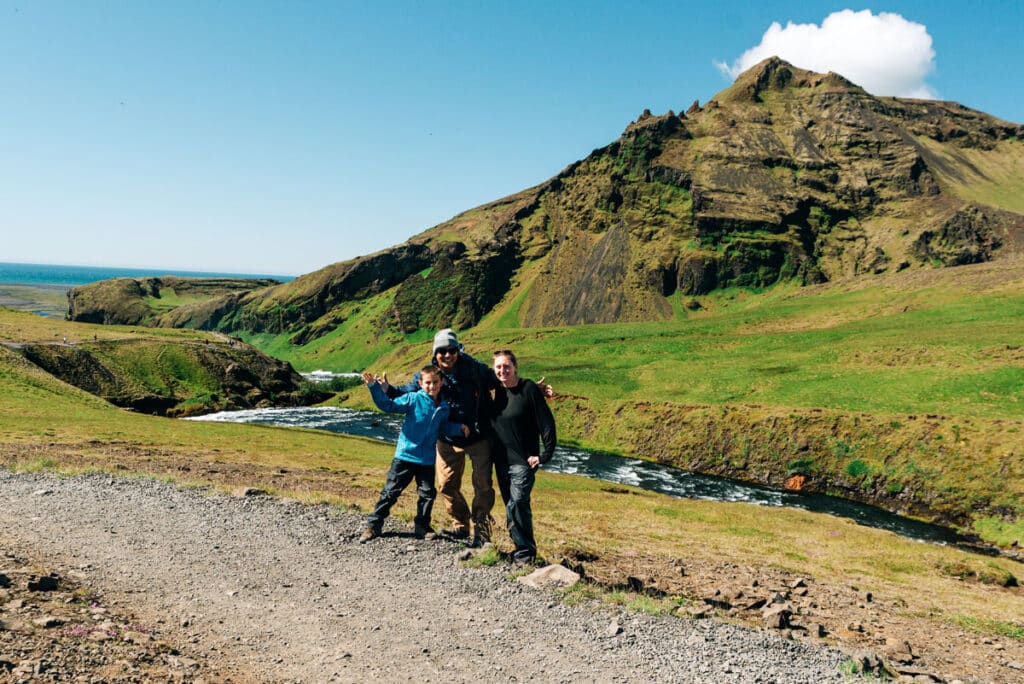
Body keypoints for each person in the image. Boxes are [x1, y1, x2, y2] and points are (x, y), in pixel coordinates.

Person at [386, 329, 553, 547]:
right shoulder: (429, 374)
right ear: (435, 353)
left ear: (458, 350)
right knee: (446, 485)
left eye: (452, 350)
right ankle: (461, 526)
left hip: (479, 436)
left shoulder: (473, 368)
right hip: (447, 438)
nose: (448, 355)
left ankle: (481, 531)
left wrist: (531, 388)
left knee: (483, 486)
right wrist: (386, 390)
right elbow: (409, 390)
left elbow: (502, 378)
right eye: (442, 351)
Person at [359, 366, 468, 543]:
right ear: (420, 383)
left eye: (435, 382)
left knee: (427, 494)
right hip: (405, 456)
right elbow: (388, 405)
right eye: (427, 383)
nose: (431, 386)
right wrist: (374, 388)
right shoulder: (413, 398)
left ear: (441, 383)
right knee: (390, 492)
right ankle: (373, 526)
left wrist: (458, 428)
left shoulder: (443, 406)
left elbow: (443, 427)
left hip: (426, 459)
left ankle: (422, 527)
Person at [489, 349, 556, 566]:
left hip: (523, 461)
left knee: (517, 503)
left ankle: (525, 552)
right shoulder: (495, 391)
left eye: (506, 366)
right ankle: (522, 549)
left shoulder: (528, 389)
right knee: (513, 504)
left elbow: (546, 422)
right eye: (498, 367)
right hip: (501, 462)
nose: (502, 370)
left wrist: (544, 454)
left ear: (515, 367)